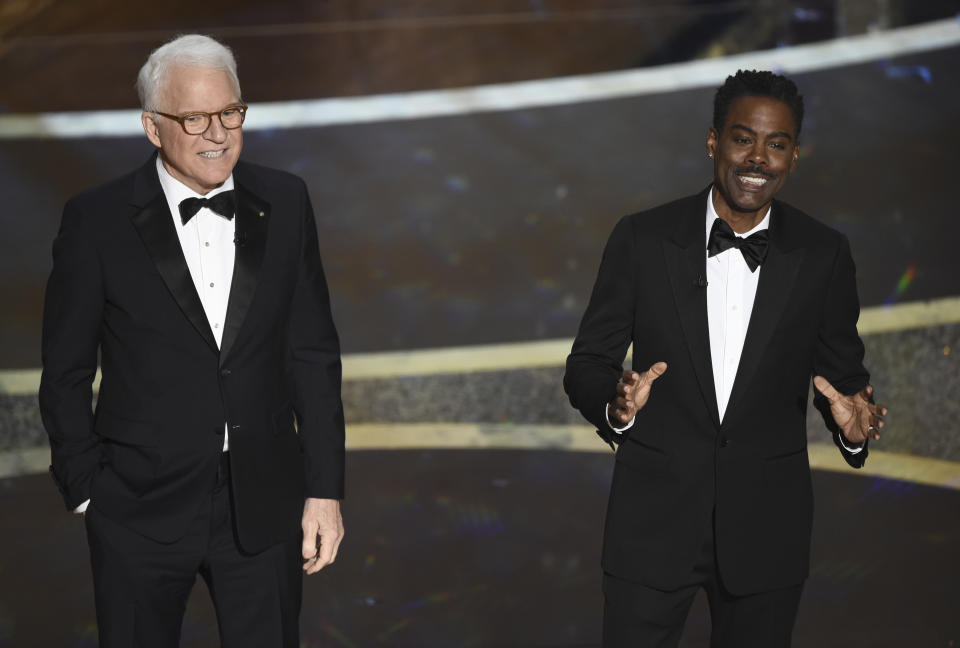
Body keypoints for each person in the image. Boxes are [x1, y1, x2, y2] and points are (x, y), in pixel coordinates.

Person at [39, 34, 345, 647]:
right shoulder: (96, 220)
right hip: (137, 510)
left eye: (230, 112)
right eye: (195, 117)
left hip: (264, 506)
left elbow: (311, 354)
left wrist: (324, 490)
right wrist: (88, 493)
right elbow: (66, 370)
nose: (218, 133)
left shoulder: (286, 201)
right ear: (153, 128)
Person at [563, 69, 888, 647]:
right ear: (714, 141)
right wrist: (618, 406)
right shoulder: (642, 238)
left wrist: (853, 428)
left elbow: (843, 379)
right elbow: (588, 362)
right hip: (653, 528)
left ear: (794, 156)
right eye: (743, 138)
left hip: (768, 533)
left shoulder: (823, 254)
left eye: (777, 144)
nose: (757, 158)